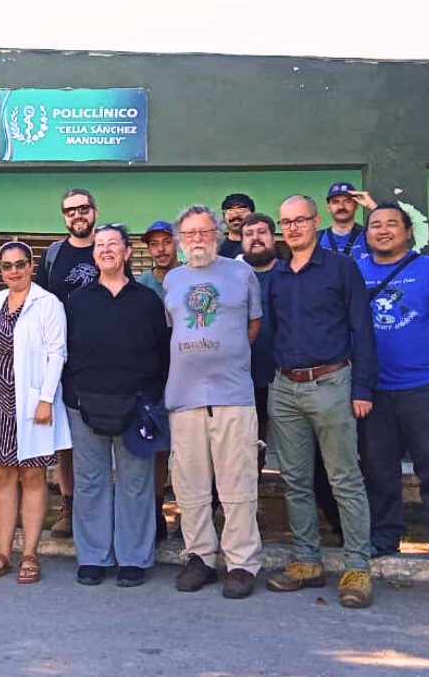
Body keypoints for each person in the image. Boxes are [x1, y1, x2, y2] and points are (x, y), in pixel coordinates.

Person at [265, 195, 377, 609]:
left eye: (300, 220)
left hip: (332, 384)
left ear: (316, 223)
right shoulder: (277, 275)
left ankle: (357, 567)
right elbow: (274, 332)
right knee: (295, 480)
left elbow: (362, 331)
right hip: (285, 387)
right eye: (286, 222)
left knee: (344, 478)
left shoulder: (342, 269)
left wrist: (362, 388)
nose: (292, 228)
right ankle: (307, 562)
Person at [357, 204, 429, 569]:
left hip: (426, 387)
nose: (383, 230)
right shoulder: (355, 271)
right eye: (375, 225)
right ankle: (385, 537)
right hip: (374, 391)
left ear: (408, 232)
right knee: (378, 470)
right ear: (366, 233)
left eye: (392, 224)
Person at [165, 205, 263, 600]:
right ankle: (199, 557)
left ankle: (241, 563)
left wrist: (227, 352)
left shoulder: (241, 274)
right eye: (189, 234)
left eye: (204, 232)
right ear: (180, 240)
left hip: (233, 394)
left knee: (237, 481)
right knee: (190, 484)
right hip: (184, 397)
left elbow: (253, 324)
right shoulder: (172, 279)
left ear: (217, 235)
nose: (197, 239)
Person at [63, 224, 169, 587]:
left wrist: (153, 400)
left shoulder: (148, 301)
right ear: (94, 255)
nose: (106, 250)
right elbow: (65, 355)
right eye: (100, 245)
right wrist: (73, 395)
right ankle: (93, 557)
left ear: (126, 253)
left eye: (114, 244)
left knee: (136, 483)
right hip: (85, 407)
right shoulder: (76, 302)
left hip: (136, 407)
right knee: (90, 483)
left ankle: (134, 558)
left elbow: (162, 353)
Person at [0, 241, 71, 583]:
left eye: (19, 264)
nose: (13, 271)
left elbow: (57, 353)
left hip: (31, 404)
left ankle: (29, 553)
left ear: (31, 266)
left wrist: (46, 398)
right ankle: (2, 552)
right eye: (6, 265)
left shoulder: (48, 303)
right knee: (2, 476)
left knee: (32, 476)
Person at [240, 213, 344, 542]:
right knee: (244, 463)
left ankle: (339, 527)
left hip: (291, 382)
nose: (256, 238)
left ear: (275, 238)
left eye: (262, 232)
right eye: (249, 234)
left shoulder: (290, 274)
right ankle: (244, 531)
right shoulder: (234, 278)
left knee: (314, 464)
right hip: (245, 385)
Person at [35, 188, 101, 539]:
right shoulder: (53, 255)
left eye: (83, 208)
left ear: (95, 211)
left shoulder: (108, 245)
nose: (78, 215)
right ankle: (69, 506)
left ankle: (101, 506)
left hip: (103, 358)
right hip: (62, 357)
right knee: (65, 439)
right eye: (70, 210)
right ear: (64, 217)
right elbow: (37, 301)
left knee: (104, 430)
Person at [137, 220, 179, 541]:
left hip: (189, 369)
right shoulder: (142, 284)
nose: (161, 249)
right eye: (155, 244)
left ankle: (198, 515)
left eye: (167, 242)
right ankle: (155, 511)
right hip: (152, 373)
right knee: (155, 446)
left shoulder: (191, 278)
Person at [317, 182, 377, 260]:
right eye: (335, 202)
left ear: (356, 204)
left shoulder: (370, 236)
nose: (341, 206)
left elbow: (396, 239)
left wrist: (374, 207)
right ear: (328, 206)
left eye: (347, 201)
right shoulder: (315, 238)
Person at [217, 193, 255, 259]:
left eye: (241, 209)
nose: (235, 215)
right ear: (224, 215)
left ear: (252, 214)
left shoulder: (262, 247)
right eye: (230, 210)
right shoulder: (215, 249)